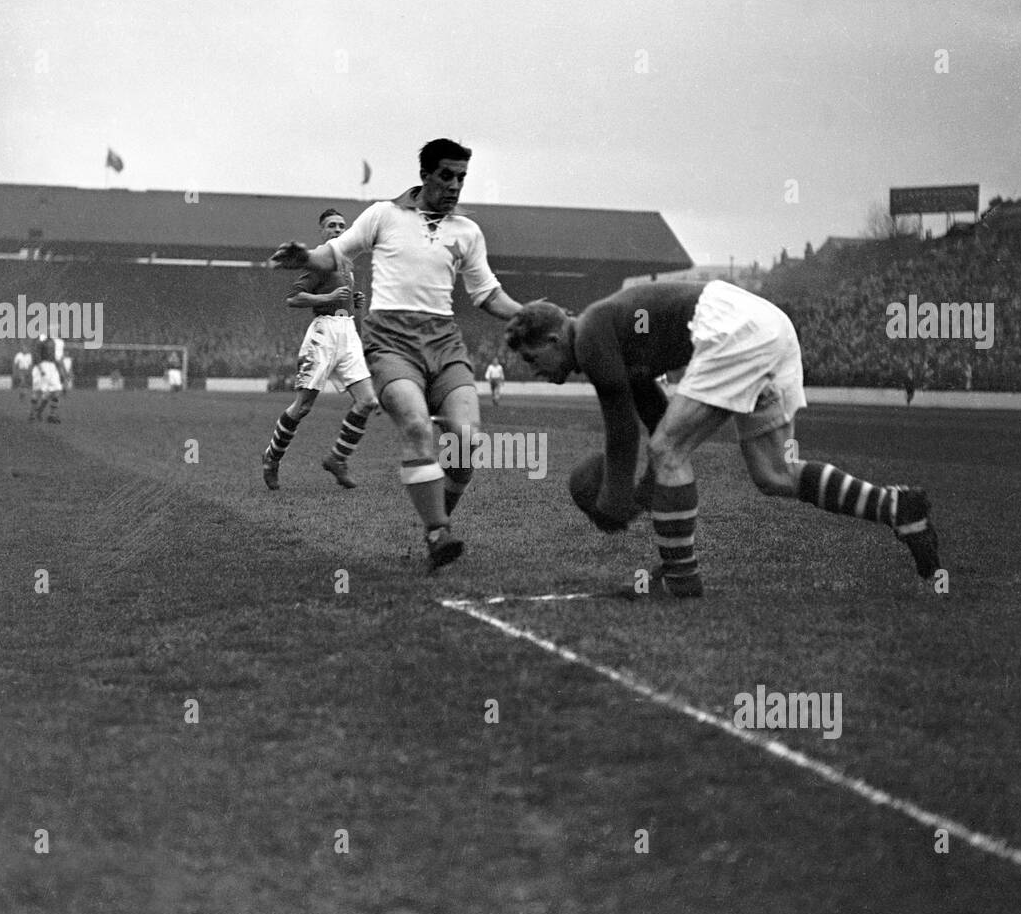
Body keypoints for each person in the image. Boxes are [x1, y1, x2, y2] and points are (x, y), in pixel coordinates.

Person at [504, 280, 940, 598]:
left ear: (554, 338)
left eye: (531, 357)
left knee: (668, 451)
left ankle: (680, 578)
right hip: (768, 325)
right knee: (775, 475)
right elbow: (656, 416)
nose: (532, 368)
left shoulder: (592, 339)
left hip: (735, 330)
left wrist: (612, 507)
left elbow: (623, 437)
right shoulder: (601, 329)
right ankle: (897, 507)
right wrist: (640, 496)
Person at [269, 140, 525, 568]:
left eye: (461, 177)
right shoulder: (382, 215)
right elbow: (334, 252)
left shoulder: (467, 232)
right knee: (414, 424)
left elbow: (487, 294)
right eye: (447, 176)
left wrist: (532, 315)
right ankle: (438, 533)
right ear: (425, 175)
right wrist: (305, 258)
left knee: (467, 443)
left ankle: (437, 521)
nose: (455, 185)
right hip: (390, 342)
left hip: (444, 343)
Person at [262, 208, 378, 490]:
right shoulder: (320, 261)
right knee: (303, 407)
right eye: (331, 226)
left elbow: (344, 302)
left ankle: (338, 458)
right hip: (323, 334)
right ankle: (272, 457)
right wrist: (328, 296)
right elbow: (293, 298)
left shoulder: (347, 264)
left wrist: (354, 305)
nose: (338, 229)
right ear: (322, 231)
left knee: (368, 401)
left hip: (347, 331)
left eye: (341, 225)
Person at [30, 338, 63, 423]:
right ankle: (32, 415)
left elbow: (54, 357)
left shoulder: (53, 341)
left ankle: (51, 415)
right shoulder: (40, 340)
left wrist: (60, 370)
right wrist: (40, 369)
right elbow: (36, 354)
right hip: (42, 365)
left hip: (52, 367)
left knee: (56, 391)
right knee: (38, 391)